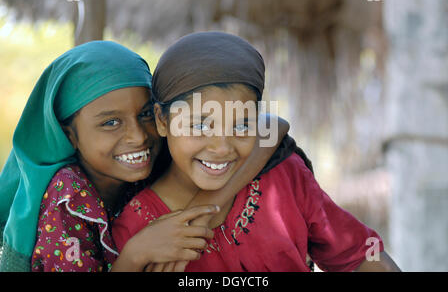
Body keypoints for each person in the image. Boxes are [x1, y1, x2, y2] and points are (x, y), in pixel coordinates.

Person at [112, 31, 401, 272]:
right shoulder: (137, 228)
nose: (221, 147)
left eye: (242, 126)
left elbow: (360, 255)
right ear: (163, 121)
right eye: (199, 126)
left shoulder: (284, 177)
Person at [0, 40, 289, 272]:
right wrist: (136, 255)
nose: (138, 136)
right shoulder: (66, 195)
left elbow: (271, 125)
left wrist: (202, 212)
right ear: (69, 135)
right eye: (111, 122)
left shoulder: (162, 154)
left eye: (147, 114)